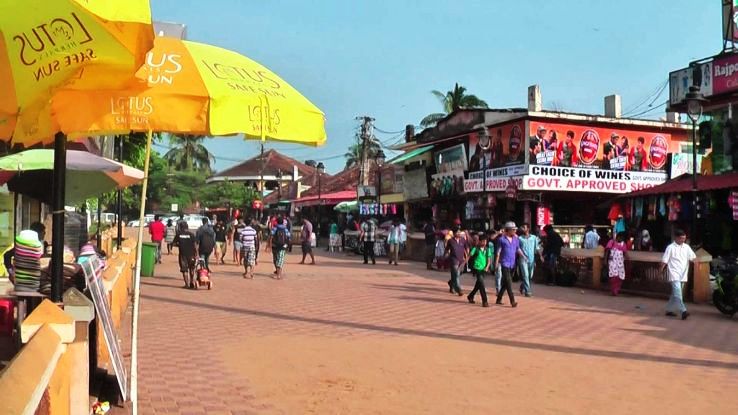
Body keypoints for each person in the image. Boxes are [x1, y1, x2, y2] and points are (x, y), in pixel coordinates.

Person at [660, 229, 696, 320]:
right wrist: (660, 270)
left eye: (684, 239)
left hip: (683, 274)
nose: (683, 240)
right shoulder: (670, 247)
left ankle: (669, 309)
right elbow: (664, 260)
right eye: (681, 238)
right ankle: (683, 311)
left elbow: (693, 257)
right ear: (676, 238)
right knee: (678, 293)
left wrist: (697, 264)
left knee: (675, 293)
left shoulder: (687, 247)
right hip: (674, 273)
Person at [495, 222, 524, 307]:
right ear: (508, 230)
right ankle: (512, 301)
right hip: (504, 263)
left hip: (512, 263)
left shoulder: (516, 239)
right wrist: (496, 263)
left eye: (515, 230)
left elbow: (518, 249)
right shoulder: (501, 240)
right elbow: (498, 252)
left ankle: (499, 298)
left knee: (506, 283)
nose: (515, 231)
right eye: (513, 230)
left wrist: (524, 257)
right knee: (508, 282)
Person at [467, 233, 493, 307]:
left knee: (478, 285)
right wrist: (464, 264)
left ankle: (470, 296)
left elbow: (489, 260)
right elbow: (469, 256)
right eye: (483, 241)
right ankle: (485, 301)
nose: (484, 243)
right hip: (477, 268)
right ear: (479, 241)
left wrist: (487, 267)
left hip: (484, 269)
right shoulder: (475, 249)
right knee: (481, 284)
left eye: (485, 241)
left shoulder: (487, 250)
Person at [518, 223, 540, 297]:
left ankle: (523, 285)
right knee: (526, 275)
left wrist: (540, 256)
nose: (522, 229)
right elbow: (518, 249)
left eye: (524, 227)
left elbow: (537, 248)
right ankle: (528, 292)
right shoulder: (520, 238)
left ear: (528, 229)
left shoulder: (534, 238)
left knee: (530, 276)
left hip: (532, 259)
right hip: (523, 259)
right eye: (522, 227)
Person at [172, 221, 197, 288]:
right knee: (192, 268)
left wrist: (179, 245)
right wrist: (196, 254)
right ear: (187, 227)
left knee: (184, 269)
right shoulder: (191, 234)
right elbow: (195, 245)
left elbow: (174, 243)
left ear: (180, 227)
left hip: (183, 254)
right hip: (191, 254)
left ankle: (186, 284)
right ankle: (191, 281)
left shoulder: (178, 234)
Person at [445, 229, 468, 296]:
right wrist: (445, 255)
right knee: (456, 274)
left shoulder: (463, 240)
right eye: (457, 232)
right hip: (454, 259)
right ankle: (459, 290)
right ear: (454, 233)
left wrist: (467, 256)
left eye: (459, 232)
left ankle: (451, 283)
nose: (459, 233)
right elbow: (447, 249)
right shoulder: (450, 241)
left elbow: (466, 248)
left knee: (456, 274)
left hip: (461, 260)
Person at [606, 232, 628, 296]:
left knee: (619, 277)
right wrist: (605, 260)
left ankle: (616, 290)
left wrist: (627, 259)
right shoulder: (611, 242)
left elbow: (625, 253)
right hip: (612, 262)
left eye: (622, 238)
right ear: (617, 237)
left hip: (620, 263)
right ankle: (613, 290)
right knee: (613, 276)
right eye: (620, 237)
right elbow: (607, 251)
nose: (621, 239)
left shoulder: (623, 244)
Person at [270, 215, 290, 279]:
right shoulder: (286, 229)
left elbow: (271, 236)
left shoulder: (274, 228)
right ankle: (279, 274)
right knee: (280, 260)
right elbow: (289, 237)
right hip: (283, 246)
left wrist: (269, 245)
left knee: (275, 259)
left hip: (275, 246)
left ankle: (278, 273)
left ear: (277, 222)